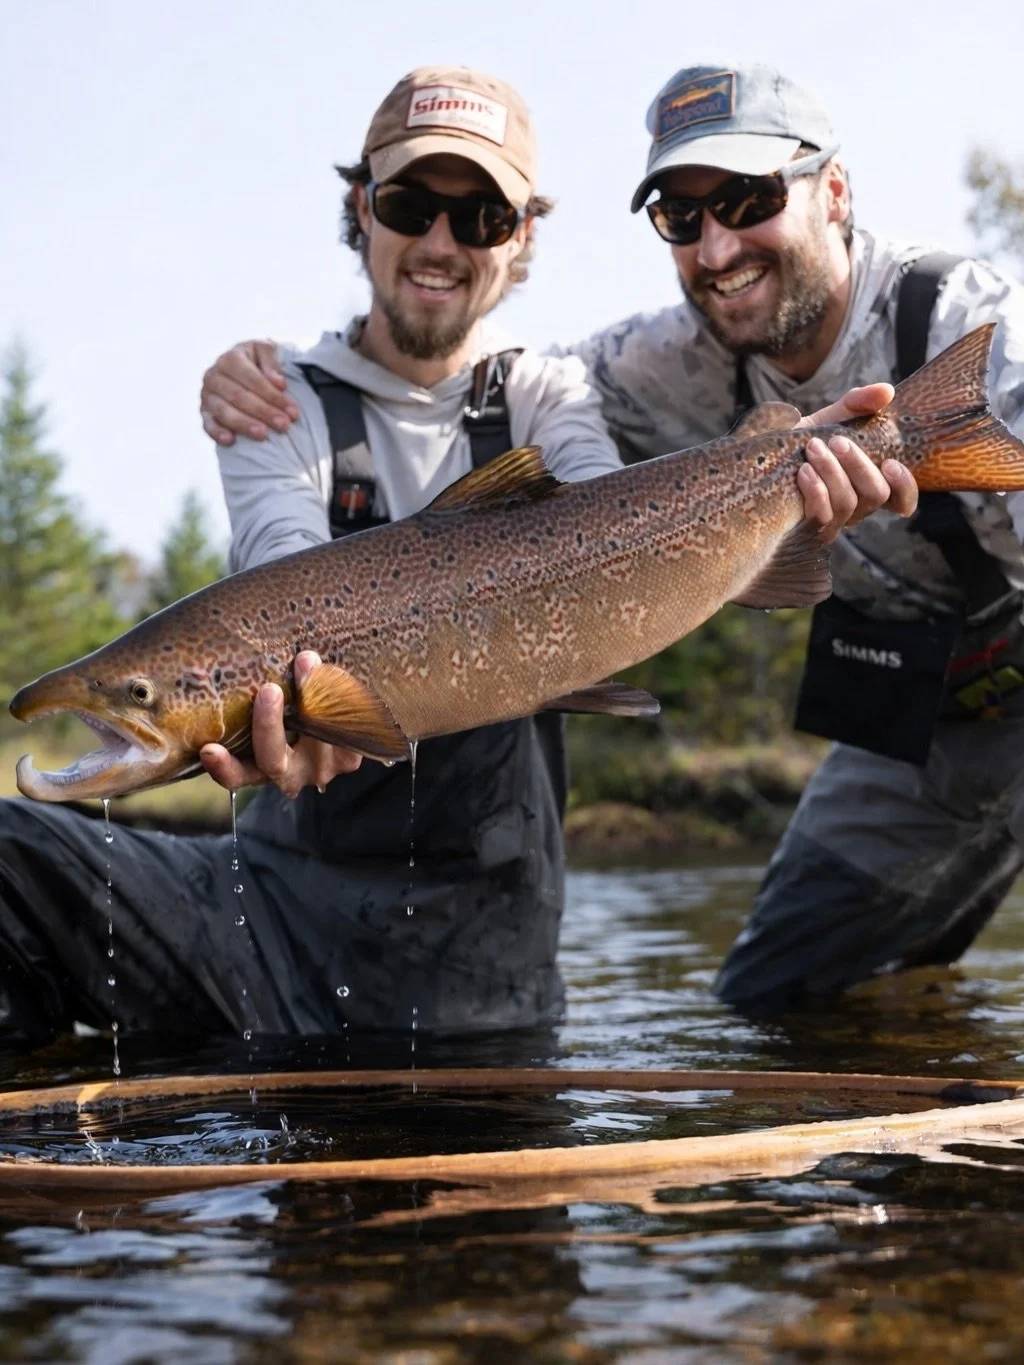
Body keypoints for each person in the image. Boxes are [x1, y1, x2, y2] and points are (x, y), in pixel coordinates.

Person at [0, 62, 893, 1050]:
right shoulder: (274, 401)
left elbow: (607, 528)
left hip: (484, 980)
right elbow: (284, 588)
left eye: (480, 219)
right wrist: (303, 704)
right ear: (361, 208)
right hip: (260, 935)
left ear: (520, 242)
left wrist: (784, 477)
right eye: (412, 204)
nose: (439, 242)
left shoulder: (549, 394)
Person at [202, 61, 1024, 1015]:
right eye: (682, 217)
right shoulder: (653, 365)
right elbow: (452, 384)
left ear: (833, 191)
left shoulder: (980, 333)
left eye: (747, 200)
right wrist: (276, 374)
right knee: (779, 1005)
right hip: (924, 715)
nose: (716, 247)